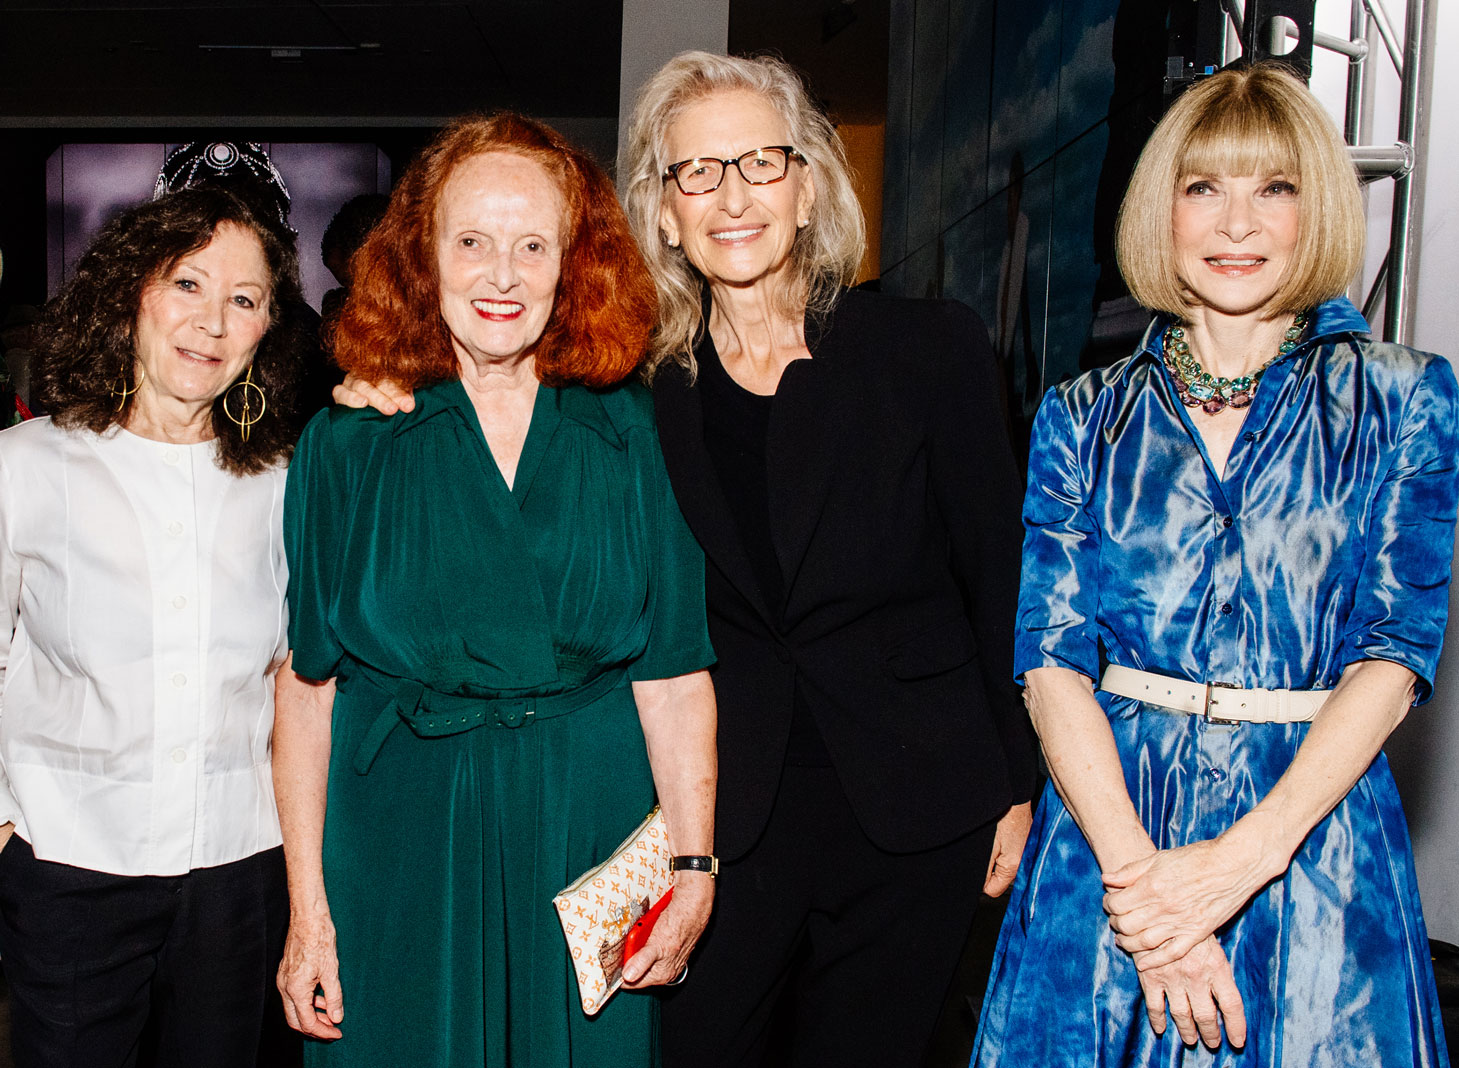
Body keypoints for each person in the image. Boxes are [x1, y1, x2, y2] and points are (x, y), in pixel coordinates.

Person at [972, 64, 1457, 1067]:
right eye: (1204, 188)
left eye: (1272, 188)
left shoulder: (1405, 400)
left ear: (1312, 206)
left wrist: (1235, 866)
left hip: (1312, 849)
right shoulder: (1081, 416)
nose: (1237, 222)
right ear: (1164, 208)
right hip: (1111, 839)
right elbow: (1050, 660)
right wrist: (1144, 894)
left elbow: (1395, 653)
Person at [272, 112, 718, 1067]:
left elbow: (674, 672)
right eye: (470, 241)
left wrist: (691, 865)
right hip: (398, 837)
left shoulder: (630, 431)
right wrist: (307, 908)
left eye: (532, 244)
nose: (502, 274)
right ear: (422, 260)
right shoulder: (347, 442)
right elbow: (307, 689)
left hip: (585, 828)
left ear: (575, 264)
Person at [622, 52, 1036, 1066]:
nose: (732, 196)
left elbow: (1004, 580)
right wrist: (385, 382)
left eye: (760, 163)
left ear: (808, 185)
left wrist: (1019, 784)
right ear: (665, 214)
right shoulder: (631, 395)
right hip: (722, 818)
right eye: (697, 172)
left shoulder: (929, 349)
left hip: (919, 800)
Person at [0, 186, 306, 1067]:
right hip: (68, 867)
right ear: (129, 292)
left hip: (239, 871)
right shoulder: (25, 469)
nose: (210, 322)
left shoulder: (287, 480)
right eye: (186, 284)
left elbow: (299, 676)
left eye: (242, 300)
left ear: (266, 331)